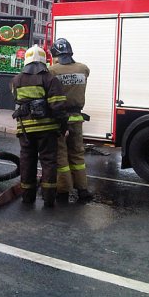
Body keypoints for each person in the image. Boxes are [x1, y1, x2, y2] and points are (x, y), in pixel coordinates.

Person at [11, 45, 68, 207]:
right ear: (45, 61)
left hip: (25, 130)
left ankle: (27, 197)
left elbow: (17, 100)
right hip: (47, 131)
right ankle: (49, 199)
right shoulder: (50, 79)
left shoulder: (17, 80)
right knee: (49, 162)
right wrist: (63, 128)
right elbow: (58, 107)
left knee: (27, 161)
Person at [49, 38, 93, 203]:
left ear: (56, 55)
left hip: (60, 120)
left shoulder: (52, 71)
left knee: (61, 156)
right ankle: (82, 190)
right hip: (77, 119)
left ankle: (63, 191)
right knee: (77, 155)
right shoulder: (83, 69)